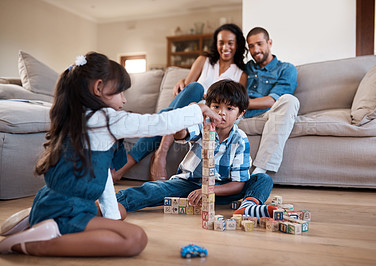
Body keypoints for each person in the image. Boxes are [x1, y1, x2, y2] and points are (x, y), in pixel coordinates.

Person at [0, 52, 221, 256]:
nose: (124, 100)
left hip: (52, 201)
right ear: (98, 88)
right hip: (69, 209)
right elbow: (156, 123)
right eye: (121, 92)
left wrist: (112, 217)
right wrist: (197, 110)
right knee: (135, 239)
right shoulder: (105, 119)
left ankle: (38, 219)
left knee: (119, 213)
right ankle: (33, 244)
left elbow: (102, 175)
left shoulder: (78, 118)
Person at [116, 80, 277, 220]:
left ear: (241, 113)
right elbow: (181, 133)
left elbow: (238, 184)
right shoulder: (202, 126)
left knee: (262, 179)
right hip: (189, 184)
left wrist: (208, 190)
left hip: (222, 191)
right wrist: (188, 115)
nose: (221, 112)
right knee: (154, 189)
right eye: (216, 106)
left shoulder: (240, 139)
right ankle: (113, 202)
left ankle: (248, 207)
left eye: (229, 108)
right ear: (208, 108)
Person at [113, 23, 248, 182]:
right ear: (216, 44)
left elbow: (236, 102)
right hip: (189, 108)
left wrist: (209, 100)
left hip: (208, 114)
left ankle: (150, 157)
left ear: (237, 44)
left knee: (165, 114)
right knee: (196, 88)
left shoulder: (241, 73)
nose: (225, 47)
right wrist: (188, 87)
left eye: (230, 43)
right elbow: (188, 89)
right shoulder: (203, 60)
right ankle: (159, 153)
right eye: (221, 42)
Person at [238, 27, 300, 174]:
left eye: (259, 44)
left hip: (269, 114)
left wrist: (241, 103)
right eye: (251, 46)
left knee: (290, 101)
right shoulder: (245, 69)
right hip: (240, 113)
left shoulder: (286, 69)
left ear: (269, 42)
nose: (256, 50)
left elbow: (273, 100)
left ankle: (260, 170)